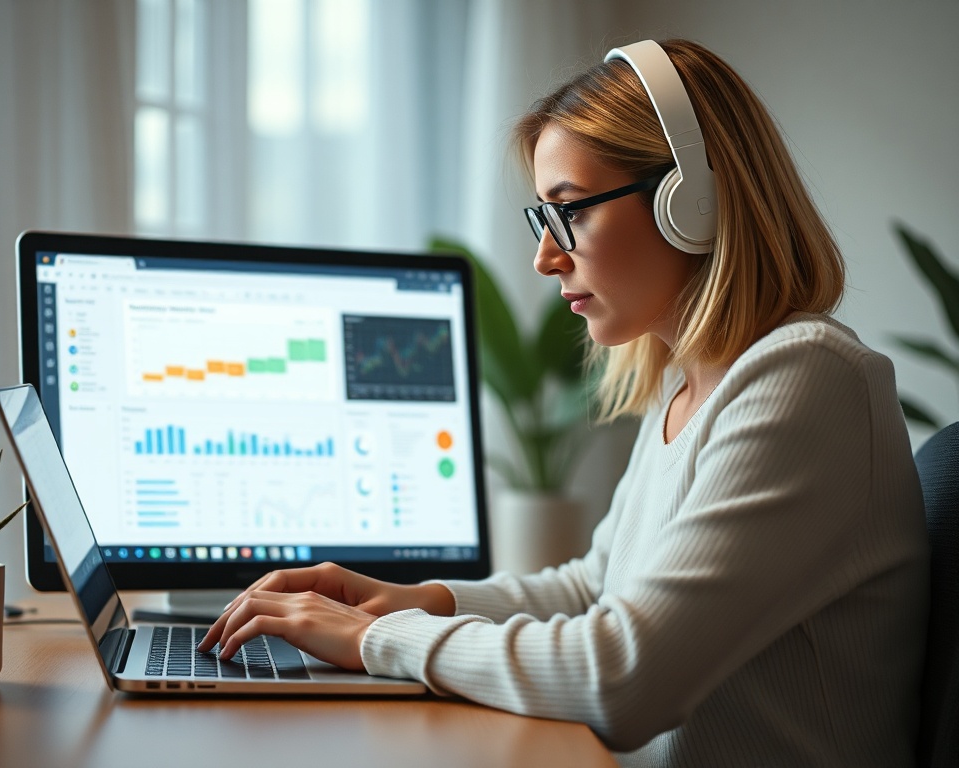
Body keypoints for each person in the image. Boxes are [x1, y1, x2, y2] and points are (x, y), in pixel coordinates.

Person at [199, 39, 929, 767]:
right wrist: (410, 600)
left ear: (692, 201)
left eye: (570, 212)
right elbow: (592, 588)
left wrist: (370, 641)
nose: (546, 256)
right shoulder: (692, 381)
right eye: (542, 219)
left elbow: (622, 676)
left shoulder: (806, 380)